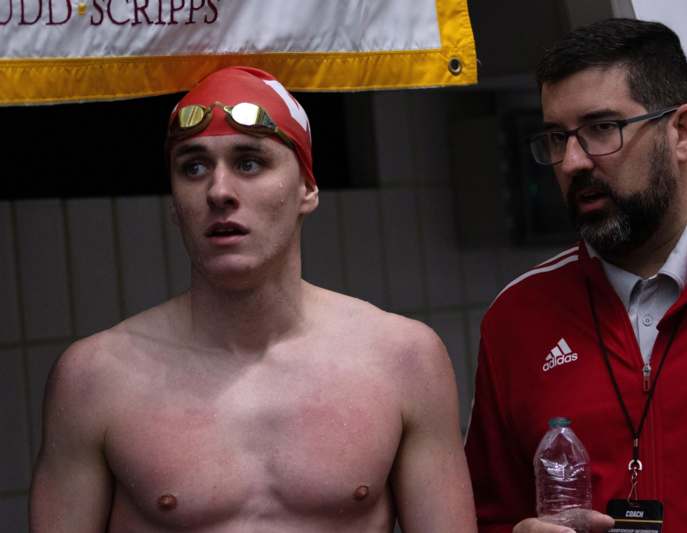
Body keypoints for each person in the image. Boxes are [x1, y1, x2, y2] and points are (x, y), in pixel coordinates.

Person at [30, 66, 477, 532]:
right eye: (193, 167)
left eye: (249, 163)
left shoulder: (403, 359)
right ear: (173, 203)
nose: (219, 191)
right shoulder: (95, 379)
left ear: (307, 188)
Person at [465, 17, 687, 533]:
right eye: (557, 137)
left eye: (603, 128)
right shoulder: (517, 317)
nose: (573, 161)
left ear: (682, 132)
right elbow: (487, 514)